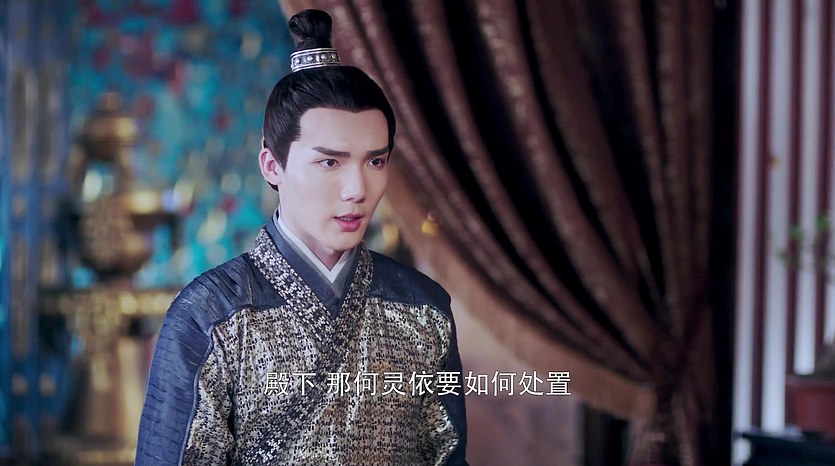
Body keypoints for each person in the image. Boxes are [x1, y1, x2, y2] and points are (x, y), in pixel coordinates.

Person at [135, 9, 468, 465]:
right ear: (273, 166)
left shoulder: (423, 309)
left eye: (375, 161)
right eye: (329, 162)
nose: (357, 190)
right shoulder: (210, 316)